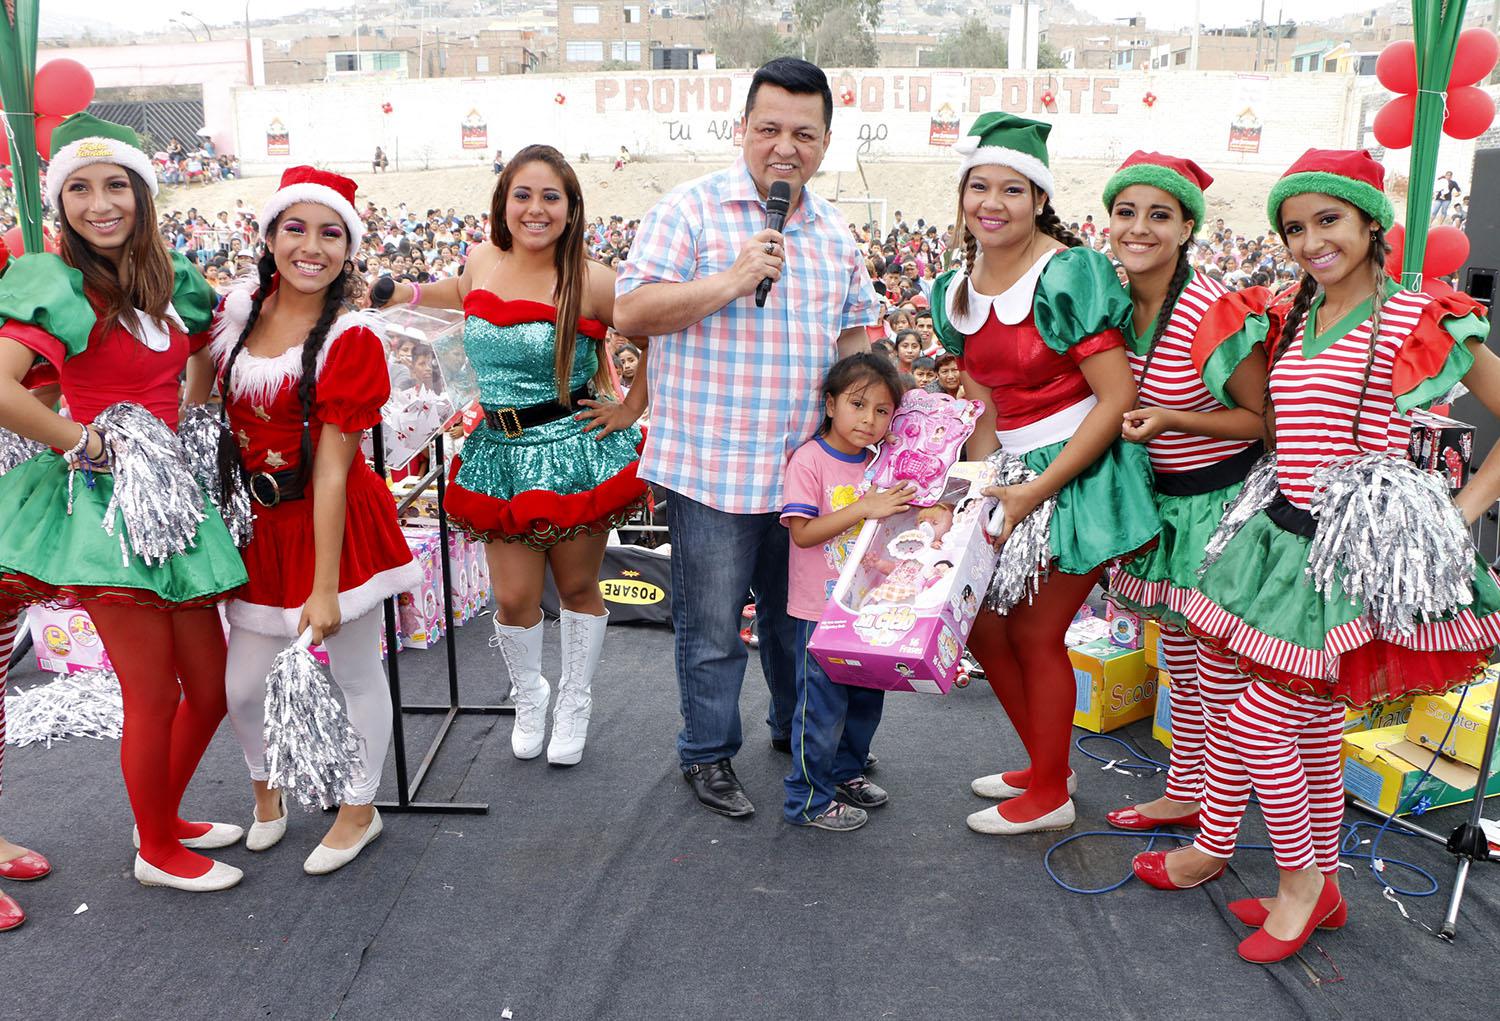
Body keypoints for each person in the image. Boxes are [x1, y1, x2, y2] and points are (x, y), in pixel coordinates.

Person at [1155, 149, 1500, 964]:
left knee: (1256, 724)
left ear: (1370, 222)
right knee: (1303, 727)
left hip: (1350, 562)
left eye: (1328, 220)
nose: (1311, 240)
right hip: (1277, 542)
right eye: (1295, 227)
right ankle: (1324, 881)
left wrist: (1462, 511)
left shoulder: (1420, 315)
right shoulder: (1288, 316)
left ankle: (1301, 887)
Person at [614, 57, 879, 819]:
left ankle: (804, 742)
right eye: (769, 128)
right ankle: (706, 753)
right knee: (711, 631)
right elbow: (632, 312)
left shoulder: (834, 232)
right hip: (712, 471)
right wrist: (730, 281)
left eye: (804, 132)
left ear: (826, 141)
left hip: (806, 479)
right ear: (742, 131)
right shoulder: (690, 210)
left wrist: (871, 413)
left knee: (801, 629)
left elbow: (856, 333)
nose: (785, 146)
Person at [0, 114, 249, 892]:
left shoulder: (172, 277)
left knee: (209, 686)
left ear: (143, 195)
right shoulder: (56, 282)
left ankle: (162, 818)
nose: (98, 203)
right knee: (154, 691)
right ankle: (156, 851)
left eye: (115, 186)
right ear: (58, 200)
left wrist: (195, 423)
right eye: (78, 188)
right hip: (103, 509)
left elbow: (208, 347)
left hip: (173, 499)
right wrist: (86, 443)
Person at [375, 144, 649, 766]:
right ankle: (531, 694)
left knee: (578, 586)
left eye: (551, 196)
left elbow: (656, 335)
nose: (535, 208)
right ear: (504, 203)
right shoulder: (482, 259)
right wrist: (404, 292)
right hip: (498, 451)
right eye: (522, 195)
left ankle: (575, 699)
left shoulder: (595, 277)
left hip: (575, 450)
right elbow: (459, 291)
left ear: (572, 207)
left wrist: (630, 407)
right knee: (514, 600)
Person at [929, 112, 1160, 835]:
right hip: (1011, 470)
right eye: (979, 187)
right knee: (981, 625)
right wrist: (965, 487)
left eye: (1012, 190)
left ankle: (1051, 795)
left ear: (1039, 200)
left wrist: (1039, 488)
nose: (991, 203)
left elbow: (1117, 396)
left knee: (1034, 630)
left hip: (1085, 475)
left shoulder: (1070, 271)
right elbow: (990, 403)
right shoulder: (954, 289)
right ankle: (1044, 761)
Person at [198, 167, 421, 874]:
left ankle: (360, 808)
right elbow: (200, 408)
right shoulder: (235, 316)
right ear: (268, 235)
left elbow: (331, 470)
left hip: (333, 523)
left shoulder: (351, 337)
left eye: (331, 233)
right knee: (242, 685)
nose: (311, 247)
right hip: (258, 527)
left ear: (349, 250)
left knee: (356, 670)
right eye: (295, 227)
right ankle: (267, 794)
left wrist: (325, 586)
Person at [1096, 152, 1270, 831]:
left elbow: (1261, 421)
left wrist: (1173, 418)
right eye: (1126, 211)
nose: (1138, 228)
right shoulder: (1114, 299)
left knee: (1218, 672)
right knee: (1182, 661)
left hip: (1217, 511)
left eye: (1159, 215)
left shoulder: (1210, 309)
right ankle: (1187, 788)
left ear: (1188, 227)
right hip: (1160, 504)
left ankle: (1215, 826)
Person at [781, 353, 908, 831]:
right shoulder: (809, 459)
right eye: (858, 405)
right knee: (821, 707)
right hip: (820, 610)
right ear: (830, 404)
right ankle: (806, 800)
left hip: (869, 608)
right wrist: (865, 506)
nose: (869, 420)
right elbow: (804, 533)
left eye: (882, 411)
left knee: (865, 701)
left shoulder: (882, 463)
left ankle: (847, 772)